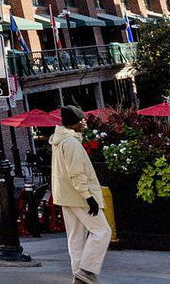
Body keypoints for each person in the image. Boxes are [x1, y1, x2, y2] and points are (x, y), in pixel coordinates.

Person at [52, 105, 109, 284]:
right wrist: (89, 197)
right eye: (81, 119)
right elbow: (76, 173)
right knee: (102, 231)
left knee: (75, 238)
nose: (84, 122)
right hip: (79, 196)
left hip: (66, 196)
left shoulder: (59, 141)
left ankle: (80, 276)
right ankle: (86, 270)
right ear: (74, 123)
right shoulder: (71, 143)